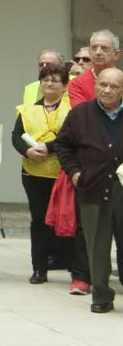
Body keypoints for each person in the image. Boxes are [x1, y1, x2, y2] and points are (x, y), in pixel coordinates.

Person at [54, 67, 123, 313]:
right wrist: (73, 172)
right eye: (103, 84)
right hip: (92, 188)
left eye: (114, 86)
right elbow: (63, 145)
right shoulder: (80, 114)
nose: (107, 90)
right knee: (96, 245)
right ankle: (102, 296)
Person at [14, 61, 88, 287]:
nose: (49, 84)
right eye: (45, 80)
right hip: (34, 172)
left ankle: (75, 269)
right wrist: (27, 150)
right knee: (39, 221)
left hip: (63, 173)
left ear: (65, 85)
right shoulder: (27, 110)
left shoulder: (73, 109)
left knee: (70, 219)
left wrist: (49, 147)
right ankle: (39, 268)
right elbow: (16, 135)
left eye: (54, 80)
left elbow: (73, 136)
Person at [69, 30, 120, 106]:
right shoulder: (77, 83)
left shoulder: (121, 80)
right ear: (89, 52)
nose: (98, 52)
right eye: (94, 48)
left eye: (104, 48)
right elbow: (81, 114)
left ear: (116, 54)